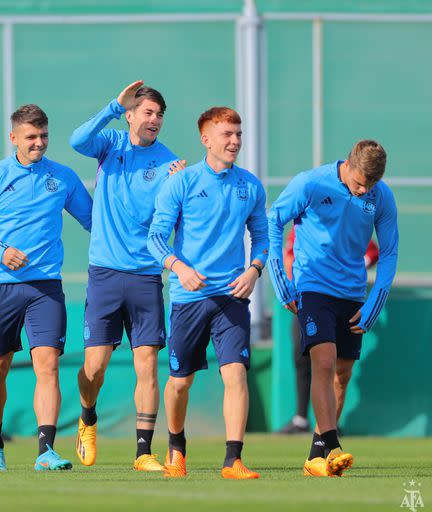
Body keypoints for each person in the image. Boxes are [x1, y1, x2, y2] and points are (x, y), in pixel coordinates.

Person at [0, 104, 92, 472]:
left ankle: (46, 450)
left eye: (44, 136)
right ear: (13, 137)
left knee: (47, 365)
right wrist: (0, 253)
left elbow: (94, 219)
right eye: (31, 137)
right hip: (1, 288)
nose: (39, 143)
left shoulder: (62, 177)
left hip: (45, 287)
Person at [70, 80, 185, 471]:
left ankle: (143, 452)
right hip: (104, 273)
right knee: (95, 368)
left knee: (147, 365)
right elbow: (76, 140)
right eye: (147, 112)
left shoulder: (171, 164)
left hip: (146, 275)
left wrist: (178, 186)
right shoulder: (111, 144)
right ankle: (87, 417)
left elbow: (172, 219)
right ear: (132, 114)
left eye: (159, 115)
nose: (154, 120)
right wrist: (113, 106)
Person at [148, 107, 268, 479]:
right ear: (206, 139)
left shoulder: (251, 185)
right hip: (189, 300)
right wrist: (180, 269)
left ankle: (233, 460)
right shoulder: (181, 183)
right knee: (180, 382)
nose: (234, 141)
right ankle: (176, 446)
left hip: (232, 297)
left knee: (235, 374)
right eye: (227, 134)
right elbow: (155, 239)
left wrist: (254, 270)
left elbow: (263, 238)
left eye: (238, 134)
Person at [267, 140, 398, 477]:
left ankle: (316, 454)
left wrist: (375, 300)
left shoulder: (380, 195)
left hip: (353, 293)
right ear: (348, 165)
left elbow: (390, 252)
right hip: (313, 286)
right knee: (322, 362)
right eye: (358, 183)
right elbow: (272, 221)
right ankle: (334, 444)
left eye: (370, 185)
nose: (363, 190)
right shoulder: (310, 183)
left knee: (342, 373)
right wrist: (280, 279)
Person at [277, 229, 378, 435]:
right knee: (303, 359)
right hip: (306, 299)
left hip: (339, 299)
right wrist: (290, 286)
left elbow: (373, 252)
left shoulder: (343, 221)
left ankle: (329, 424)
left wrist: (358, 267)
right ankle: (301, 418)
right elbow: (288, 256)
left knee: (334, 364)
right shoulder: (301, 225)